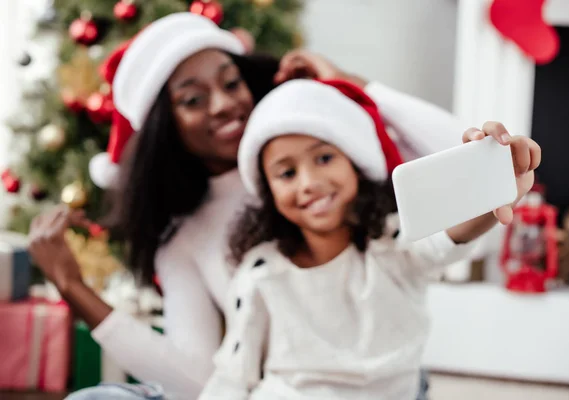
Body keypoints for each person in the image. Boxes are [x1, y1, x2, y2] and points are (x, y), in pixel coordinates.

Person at [27, 12, 482, 400]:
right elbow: (205, 378)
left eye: (231, 82)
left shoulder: (333, 163)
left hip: (382, 380)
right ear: (166, 126)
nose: (225, 104)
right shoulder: (202, 244)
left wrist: (348, 87)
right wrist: (73, 286)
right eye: (193, 99)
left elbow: (477, 176)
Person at [198, 79, 541, 399]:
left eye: (324, 158)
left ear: (356, 163)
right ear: (268, 191)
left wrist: (494, 188)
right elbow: (233, 372)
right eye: (287, 172)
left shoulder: (393, 241)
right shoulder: (261, 270)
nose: (308, 183)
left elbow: (448, 239)